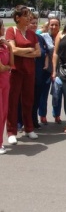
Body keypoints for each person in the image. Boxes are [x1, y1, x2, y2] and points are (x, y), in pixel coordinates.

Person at [5, 5, 41, 145]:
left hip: (29, 71)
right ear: (17, 17)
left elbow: (38, 52)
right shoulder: (11, 30)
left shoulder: (32, 33)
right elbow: (12, 50)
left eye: (29, 16)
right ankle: (11, 131)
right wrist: (29, 50)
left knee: (28, 100)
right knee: (13, 101)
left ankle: (29, 128)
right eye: (25, 15)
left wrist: (24, 51)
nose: (28, 18)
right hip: (15, 71)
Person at [40, 17, 63, 125]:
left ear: (59, 26)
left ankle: (57, 115)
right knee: (43, 95)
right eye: (51, 25)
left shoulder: (63, 37)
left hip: (59, 71)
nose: (54, 27)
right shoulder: (43, 37)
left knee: (57, 94)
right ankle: (43, 115)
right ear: (48, 26)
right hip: (46, 70)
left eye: (56, 25)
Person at [28, 13, 49, 129]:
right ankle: (22, 122)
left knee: (36, 99)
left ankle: (33, 119)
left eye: (36, 23)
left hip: (39, 73)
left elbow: (45, 52)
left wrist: (46, 61)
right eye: (32, 23)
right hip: (27, 73)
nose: (34, 25)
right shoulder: (25, 37)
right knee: (25, 100)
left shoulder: (40, 38)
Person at [0, 18, 14, 154]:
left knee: (4, 113)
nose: (4, 29)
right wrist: (6, 67)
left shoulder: (4, 45)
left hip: (5, 82)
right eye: (2, 27)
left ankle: (0, 142)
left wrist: (9, 46)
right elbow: (1, 67)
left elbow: (11, 63)